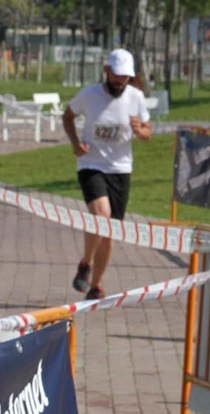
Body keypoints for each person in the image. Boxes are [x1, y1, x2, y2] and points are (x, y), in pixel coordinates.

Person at [64, 47, 152, 301]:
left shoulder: (135, 97)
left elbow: (148, 133)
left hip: (121, 169)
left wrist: (139, 130)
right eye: (116, 76)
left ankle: (96, 285)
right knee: (101, 215)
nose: (119, 82)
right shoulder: (89, 95)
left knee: (111, 230)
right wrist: (74, 144)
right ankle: (86, 263)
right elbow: (67, 116)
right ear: (106, 71)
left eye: (124, 77)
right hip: (91, 164)